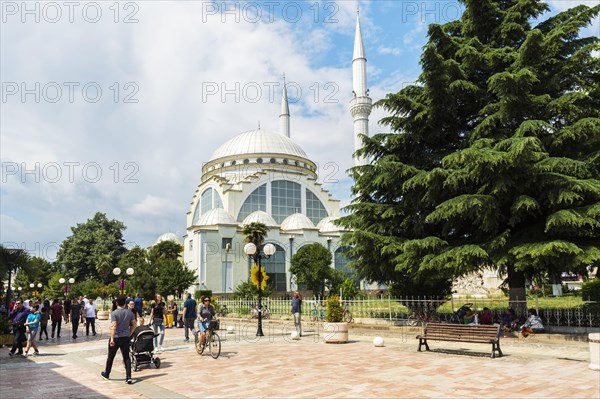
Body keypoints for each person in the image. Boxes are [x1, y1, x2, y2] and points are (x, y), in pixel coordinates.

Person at [101, 295, 136, 384]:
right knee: (126, 357)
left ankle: (107, 374)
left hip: (116, 337)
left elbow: (113, 326)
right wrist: (129, 334)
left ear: (116, 303)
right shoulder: (130, 313)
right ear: (125, 303)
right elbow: (134, 325)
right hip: (125, 338)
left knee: (110, 356)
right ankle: (128, 377)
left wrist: (112, 338)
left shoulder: (114, 313)